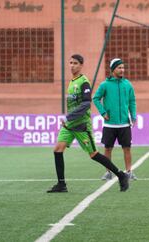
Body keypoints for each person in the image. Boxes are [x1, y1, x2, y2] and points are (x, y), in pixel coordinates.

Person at [47, 54, 130, 193]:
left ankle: (121, 175)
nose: (72, 65)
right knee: (57, 150)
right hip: (70, 126)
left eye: (75, 63)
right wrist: (69, 119)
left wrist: (68, 117)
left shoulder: (83, 82)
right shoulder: (72, 81)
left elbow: (86, 104)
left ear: (81, 65)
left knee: (93, 154)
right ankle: (61, 185)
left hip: (81, 126)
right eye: (70, 62)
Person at [93, 58, 137, 181]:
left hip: (124, 124)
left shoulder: (127, 84)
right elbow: (96, 98)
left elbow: (132, 101)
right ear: (113, 70)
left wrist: (133, 116)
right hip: (109, 125)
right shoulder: (105, 85)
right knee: (108, 148)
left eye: (123, 67)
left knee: (127, 148)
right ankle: (108, 172)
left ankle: (129, 171)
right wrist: (103, 112)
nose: (122, 70)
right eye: (119, 67)